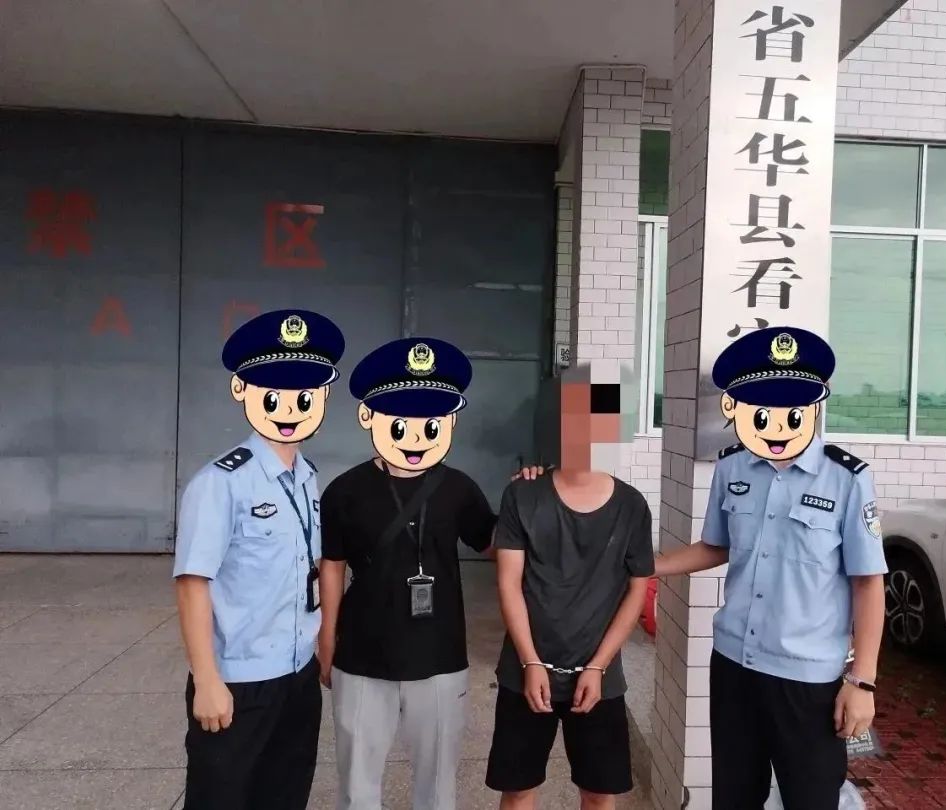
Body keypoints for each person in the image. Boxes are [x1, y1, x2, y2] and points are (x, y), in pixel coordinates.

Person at [654, 326, 887, 810]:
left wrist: (862, 681)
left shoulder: (847, 478)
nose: (777, 423)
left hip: (808, 679)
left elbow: (868, 582)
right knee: (734, 797)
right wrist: (650, 566)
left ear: (815, 404)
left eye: (791, 408)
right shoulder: (732, 468)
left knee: (810, 799)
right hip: (734, 666)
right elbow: (716, 546)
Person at [317, 336, 542, 810]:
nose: (416, 437)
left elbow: (495, 543)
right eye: (402, 423)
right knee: (357, 788)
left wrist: (525, 498)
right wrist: (327, 637)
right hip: (362, 657)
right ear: (369, 417)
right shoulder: (344, 491)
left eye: (431, 423)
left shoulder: (458, 488)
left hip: (440, 658)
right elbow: (332, 565)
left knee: (437, 789)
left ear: (449, 423)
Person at [172, 309, 345, 810]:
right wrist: (207, 680)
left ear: (322, 398)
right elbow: (192, 583)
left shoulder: (308, 478)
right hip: (238, 681)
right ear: (242, 391)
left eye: (304, 395)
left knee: (286, 797)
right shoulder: (221, 482)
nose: (290, 408)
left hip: (297, 675)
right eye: (274, 395)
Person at [486, 363, 655, 810]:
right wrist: (530, 662)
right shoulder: (522, 495)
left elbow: (636, 591)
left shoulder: (631, 506)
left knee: (599, 793)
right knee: (518, 789)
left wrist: (598, 666)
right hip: (526, 670)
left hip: (599, 677)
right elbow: (509, 583)